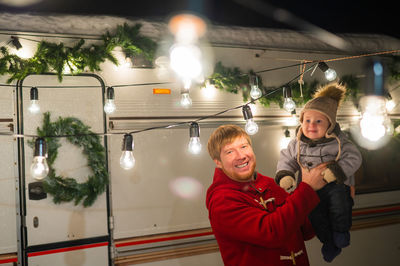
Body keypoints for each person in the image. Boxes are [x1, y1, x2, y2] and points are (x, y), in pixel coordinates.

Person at [206, 124, 327, 266]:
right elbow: (271, 232)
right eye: (229, 152)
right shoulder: (222, 200)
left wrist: (326, 189)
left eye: (244, 146)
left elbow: (305, 230)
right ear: (218, 162)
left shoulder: (271, 184)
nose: (241, 156)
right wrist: (307, 189)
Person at [275, 82, 362, 262]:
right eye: (307, 120)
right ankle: (328, 242)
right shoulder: (297, 143)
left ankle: (340, 232)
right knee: (315, 216)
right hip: (309, 189)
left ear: (330, 124)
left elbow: (354, 158)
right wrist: (286, 174)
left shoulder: (339, 142)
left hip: (334, 185)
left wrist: (337, 170)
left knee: (340, 205)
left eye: (318, 121)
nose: (311, 125)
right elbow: (287, 159)